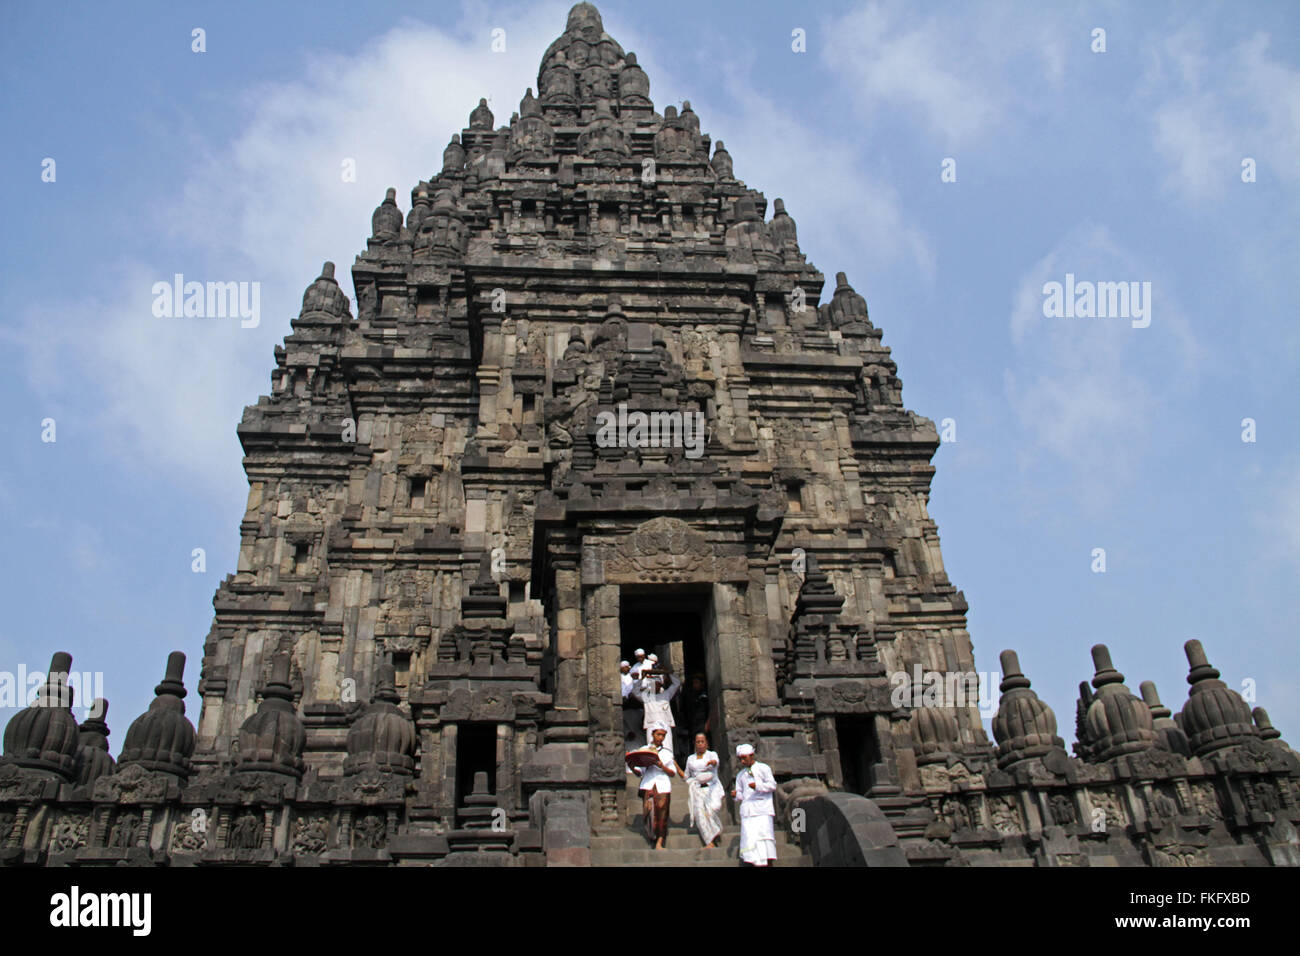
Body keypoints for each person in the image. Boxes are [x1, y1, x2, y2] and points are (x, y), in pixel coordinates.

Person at [732, 743, 777, 866]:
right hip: (748, 813)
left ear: (751, 756)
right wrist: (735, 794)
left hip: (763, 810)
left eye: (744, 758)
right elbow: (741, 795)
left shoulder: (763, 768)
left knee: (765, 840)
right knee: (750, 842)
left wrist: (758, 786)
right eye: (740, 758)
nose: (742, 761)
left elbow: (772, 785)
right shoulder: (741, 775)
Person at [635, 724, 678, 849]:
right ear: (652, 734)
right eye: (658, 734)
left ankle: (660, 840)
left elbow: (672, 772)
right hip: (648, 783)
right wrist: (632, 766)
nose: (660, 737)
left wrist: (662, 766)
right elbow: (639, 771)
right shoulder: (644, 750)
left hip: (662, 784)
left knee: (662, 812)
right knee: (648, 811)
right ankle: (652, 836)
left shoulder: (667, 753)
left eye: (663, 735)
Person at [684, 732, 724, 848]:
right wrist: (676, 766)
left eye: (702, 742)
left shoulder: (712, 755)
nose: (700, 744)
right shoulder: (690, 758)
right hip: (697, 789)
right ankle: (709, 841)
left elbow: (716, 763)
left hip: (712, 788)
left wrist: (713, 763)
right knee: (700, 815)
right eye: (698, 742)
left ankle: (716, 831)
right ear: (694, 744)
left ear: (706, 743)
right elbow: (687, 775)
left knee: (712, 810)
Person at [640, 661, 681, 744]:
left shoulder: (666, 694)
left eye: (658, 684)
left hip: (666, 725)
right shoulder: (646, 696)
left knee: (667, 750)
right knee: (652, 751)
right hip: (651, 725)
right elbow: (634, 691)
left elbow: (677, 684)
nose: (656, 686)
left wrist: (668, 673)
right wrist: (642, 678)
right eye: (654, 684)